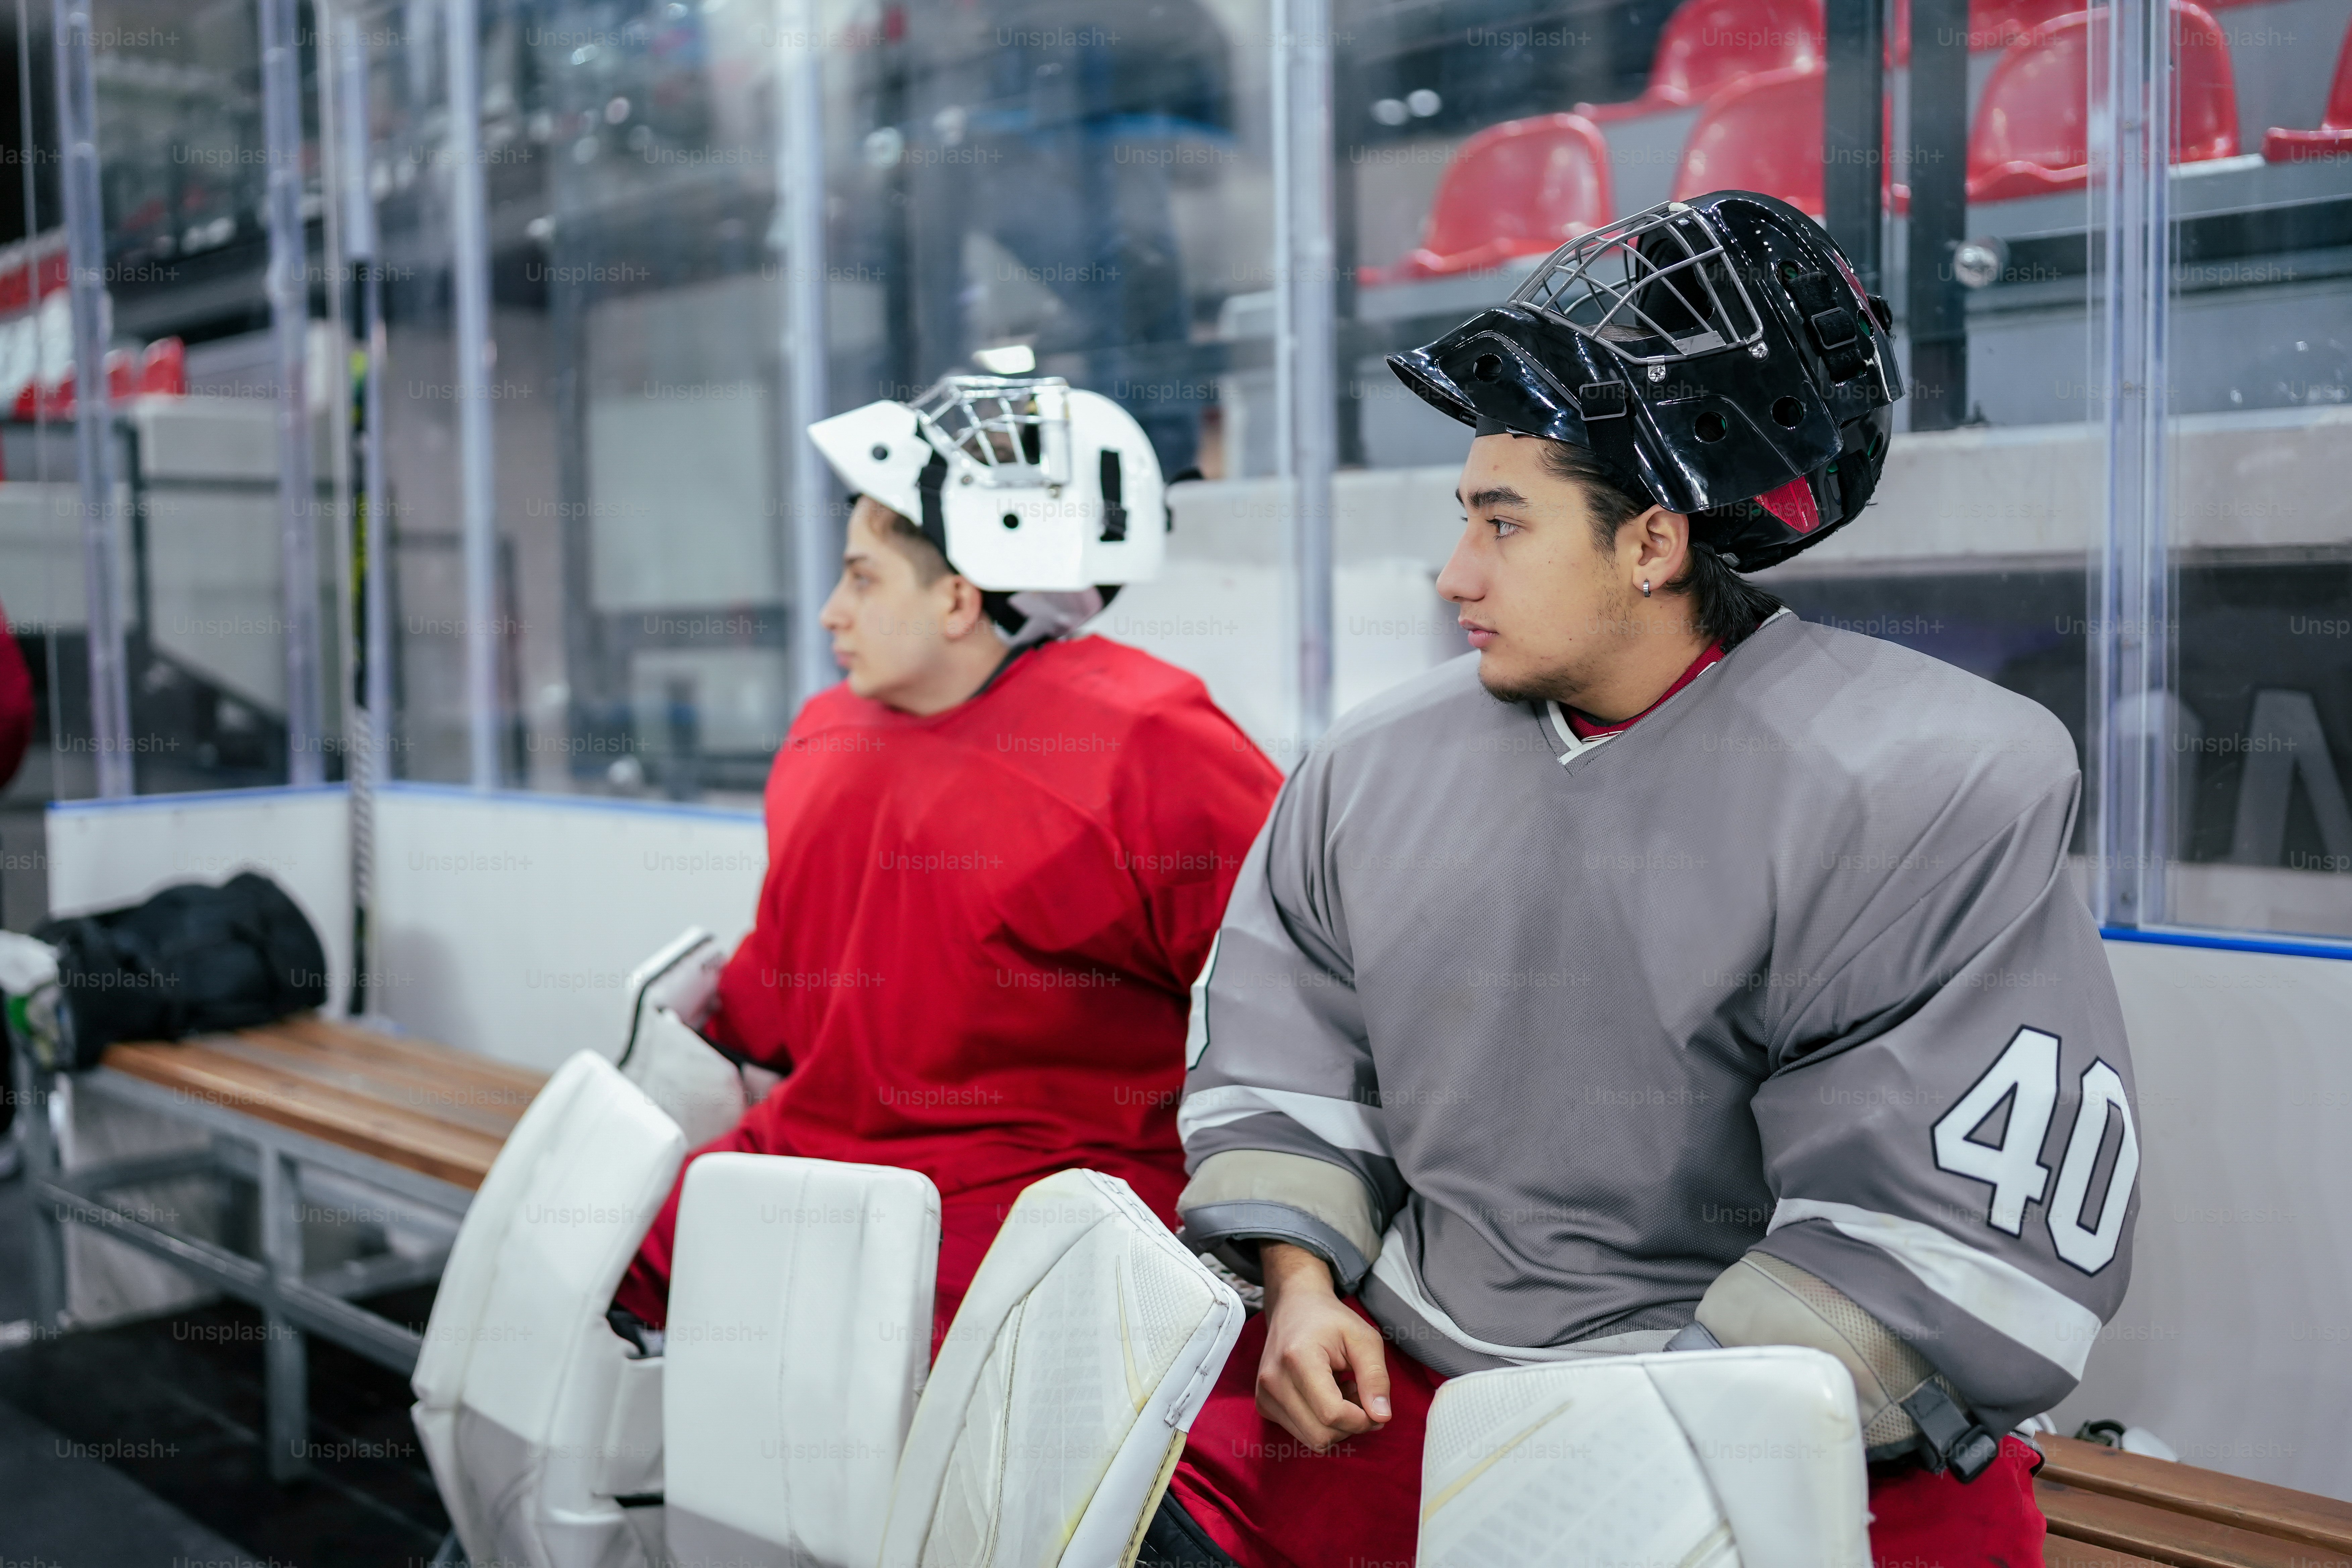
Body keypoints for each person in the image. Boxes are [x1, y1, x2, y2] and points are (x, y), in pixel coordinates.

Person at [1145, 193, 2139, 1568]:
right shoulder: (1371, 764)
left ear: (1654, 543)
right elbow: (1285, 1041)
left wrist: (1620, 1463)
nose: (1454, 574)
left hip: (1753, 1415)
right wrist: (1306, 1292)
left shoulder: (1930, 782)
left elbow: (1936, 1235)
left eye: (1504, 525)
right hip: (1414, 1373)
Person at [612, 375, 1281, 1343]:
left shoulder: (1146, 748)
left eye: (863, 577)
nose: (831, 614)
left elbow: (1294, 997)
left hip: (1006, 1225)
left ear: (960, 598)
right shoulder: (838, 734)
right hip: (909, 1212)